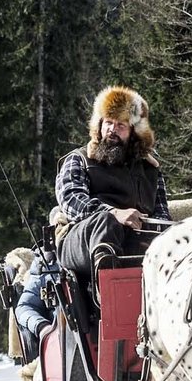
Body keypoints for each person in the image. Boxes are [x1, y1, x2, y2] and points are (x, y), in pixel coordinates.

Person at [55, 86, 169, 296]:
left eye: (120, 125)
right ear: (99, 124)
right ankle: (107, 291)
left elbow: (161, 214)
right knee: (106, 222)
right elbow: (71, 200)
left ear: (134, 132)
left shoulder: (151, 171)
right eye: (108, 122)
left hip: (135, 239)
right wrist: (115, 213)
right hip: (83, 240)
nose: (112, 129)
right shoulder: (79, 159)